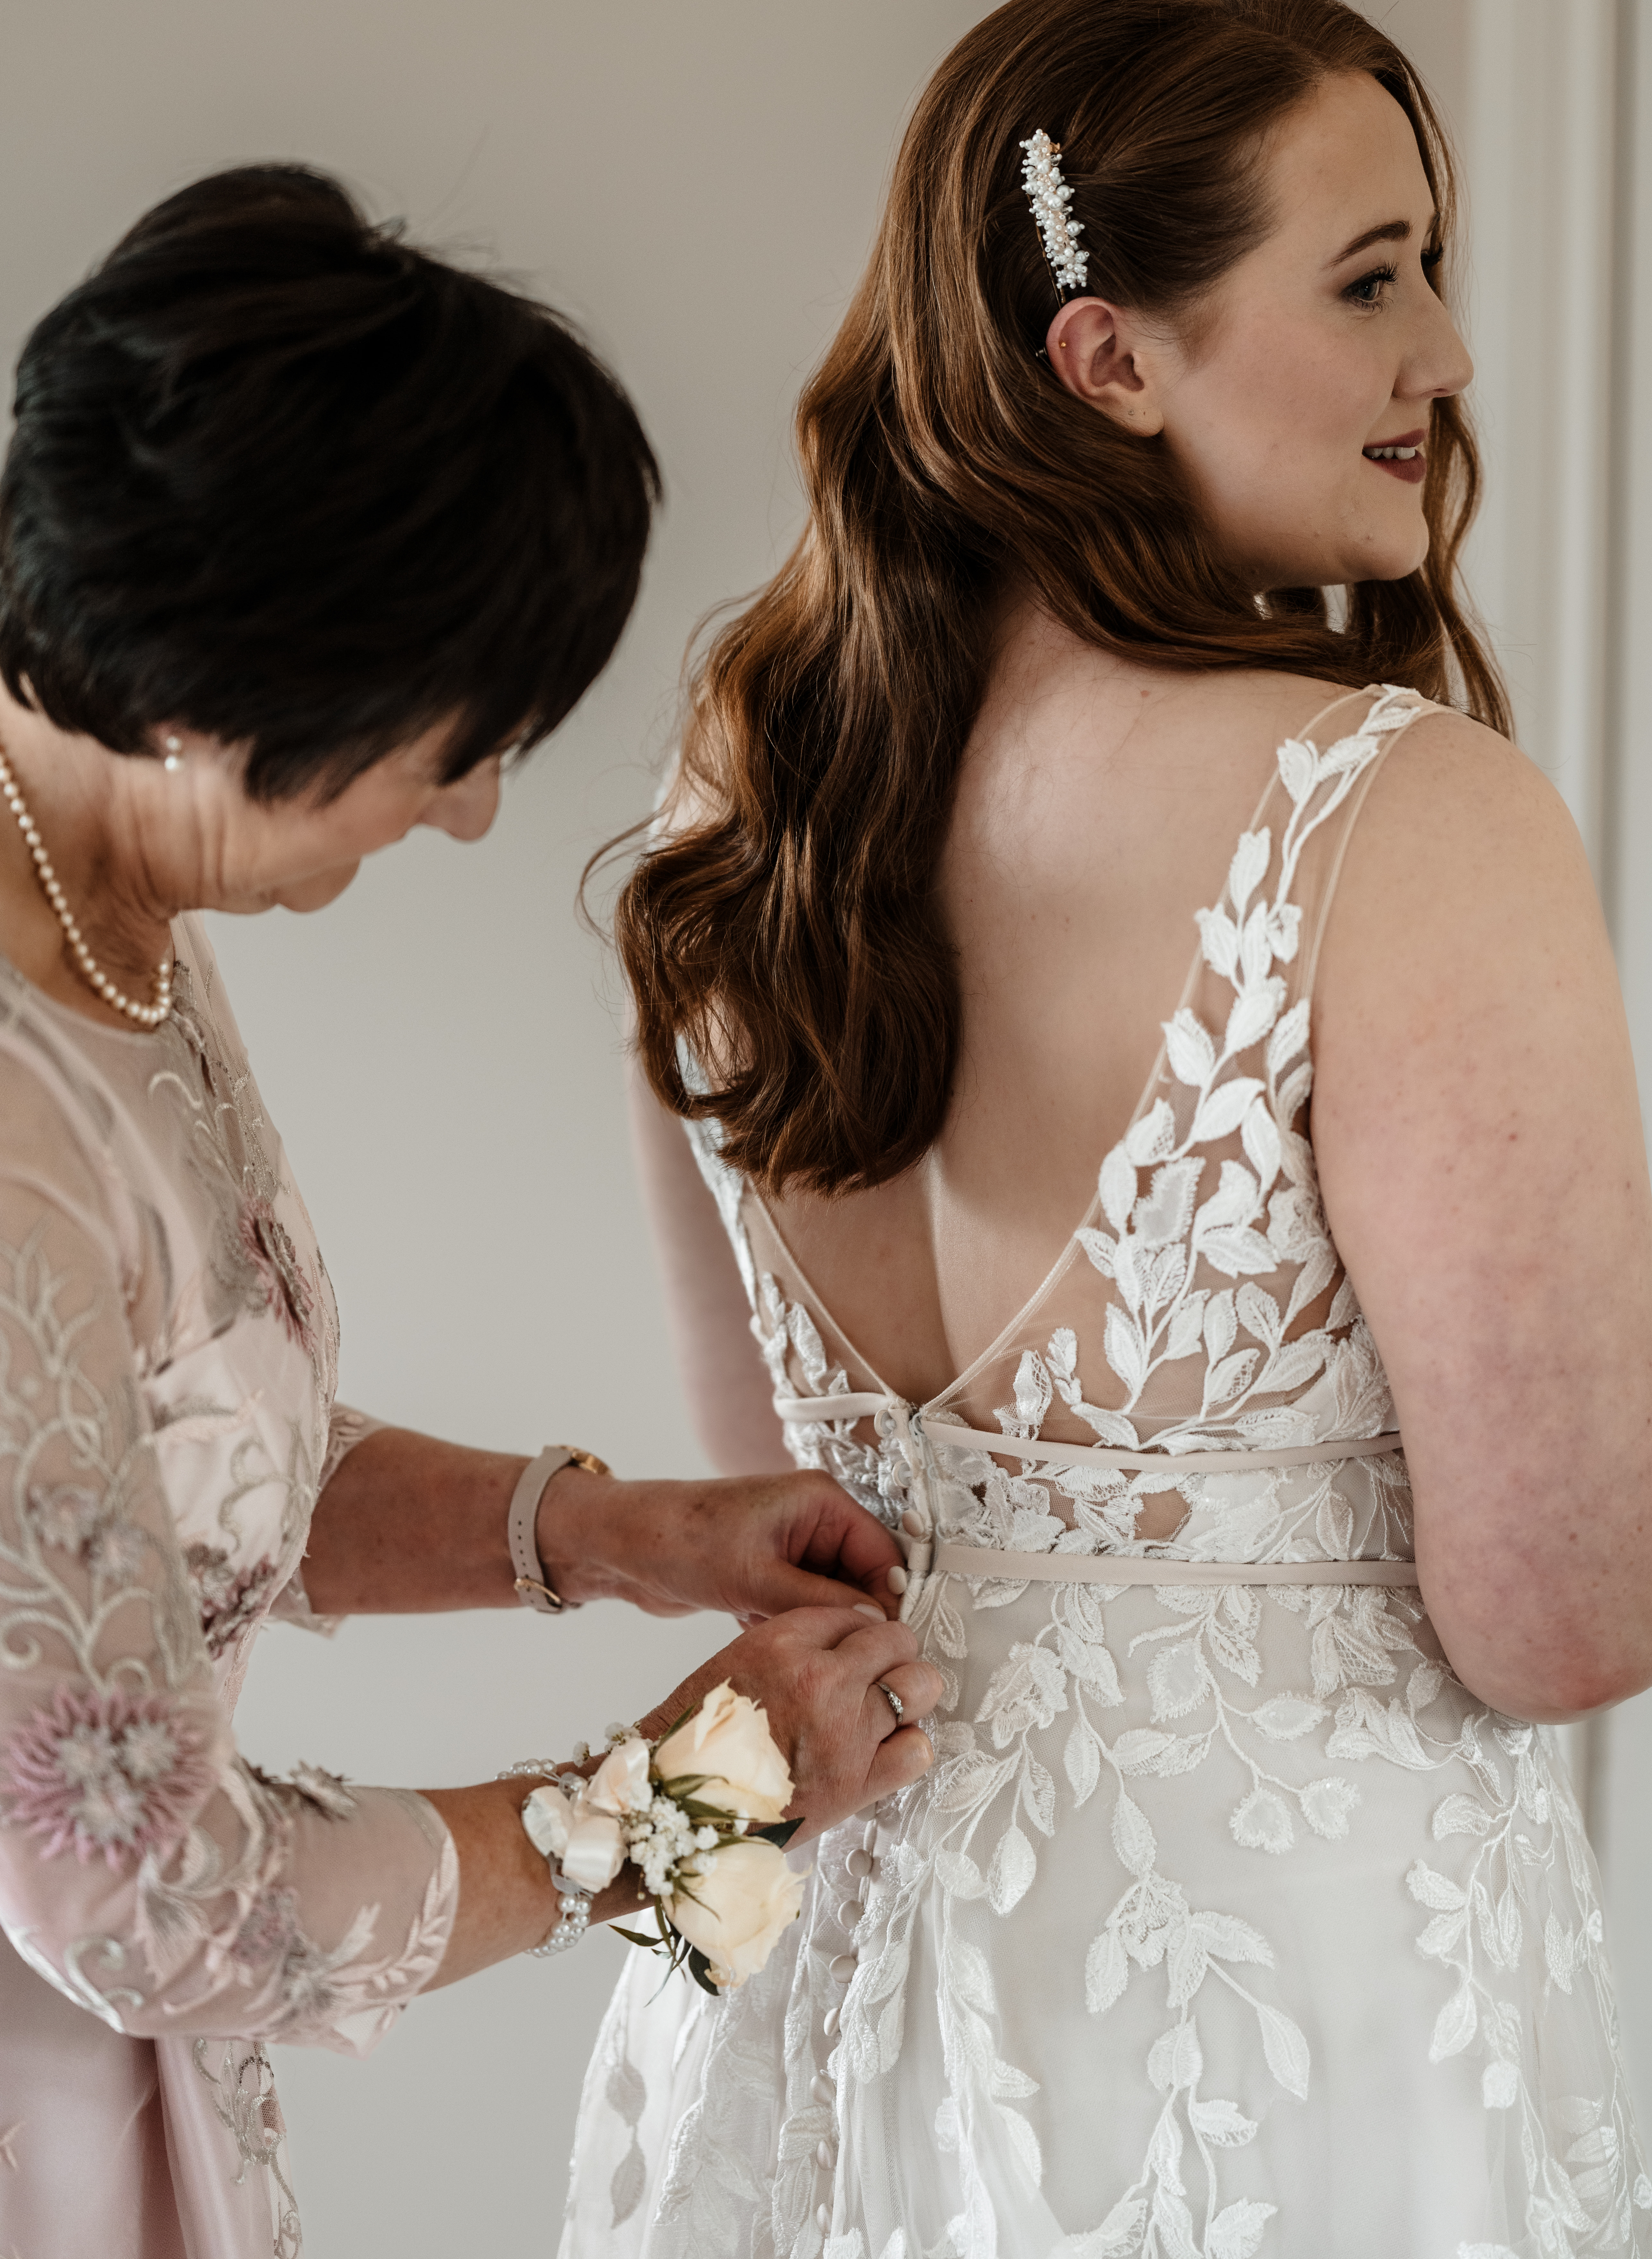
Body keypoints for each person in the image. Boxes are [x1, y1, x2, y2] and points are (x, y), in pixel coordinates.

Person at [568, 0, 1652, 2258]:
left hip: (791, 1939)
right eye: (1368, 278)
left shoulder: (744, 790)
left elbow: (780, 1521)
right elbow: (1564, 1623)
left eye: (1435, 273)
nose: (1445, 360)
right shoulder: (1404, 815)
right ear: (1109, 360)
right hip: (1265, 2016)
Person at [0, 167, 941, 2259]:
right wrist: (686, 1808)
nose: (477, 809)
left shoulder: (112, 903)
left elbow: (129, 1502)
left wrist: (607, 1535)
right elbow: (150, 1895)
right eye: (451, 740)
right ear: (213, 692)